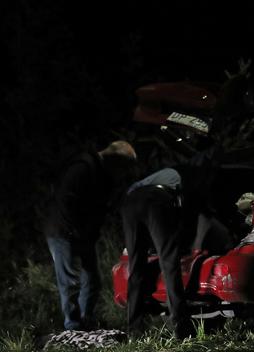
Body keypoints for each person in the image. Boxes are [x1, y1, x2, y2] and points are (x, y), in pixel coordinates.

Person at [121, 151, 220, 339]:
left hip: (130, 202)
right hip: (156, 200)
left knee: (136, 266)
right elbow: (191, 214)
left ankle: (133, 330)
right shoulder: (192, 176)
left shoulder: (170, 171)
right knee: (169, 262)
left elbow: (132, 191)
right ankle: (181, 327)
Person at [44, 140, 137, 331]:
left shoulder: (100, 172)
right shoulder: (82, 167)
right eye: (123, 167)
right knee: (69, 280)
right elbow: (65, 201)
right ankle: (73, 326)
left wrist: (90, 231)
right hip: (63, 231)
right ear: (115, 159)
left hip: (82, 233)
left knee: (92, 279)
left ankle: (86, 319)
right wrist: (74, 231)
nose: (123, 173)